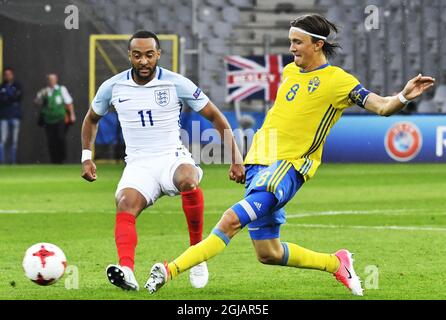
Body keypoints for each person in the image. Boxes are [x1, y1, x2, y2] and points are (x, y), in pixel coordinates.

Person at [146, 14, 435, 296]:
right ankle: (336, 263)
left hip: (287, 168)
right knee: (268, 253)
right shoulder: (290, 72)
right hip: (259, 164)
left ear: (317, 44)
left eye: (297, 42)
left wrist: (403, 96)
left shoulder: (338, 81)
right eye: (290, 41)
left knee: (230, 221)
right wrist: (246, 160)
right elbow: (281, 117)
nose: (291, 48)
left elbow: (382, 106)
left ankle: (168, 270)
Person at [81, 30, 245, 291]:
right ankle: (127, 270)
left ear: (158, 54)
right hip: (138, 164)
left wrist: (236, 159)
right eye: (137, 55)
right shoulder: (112, 87)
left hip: (171, 156)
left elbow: (215, 116)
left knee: (189, 179)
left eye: (149, 55)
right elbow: (91, 119)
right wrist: (86, 158)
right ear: (130, 56)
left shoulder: (176, 83)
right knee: (125, 203)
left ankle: (197, 254)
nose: (143, 61)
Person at [34, 73, 76, 164]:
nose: (51, 81)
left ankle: (62, 158)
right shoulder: (44, 91)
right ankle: (54, 160)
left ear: (56, 80)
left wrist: (72, 115)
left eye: (52, 79)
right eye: (49, 80)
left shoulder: (61, 89)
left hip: (60, 118)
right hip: (48, 119)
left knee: (60, 137)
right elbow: (37, 102)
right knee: (51, 140)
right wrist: (41, 97)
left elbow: (69, 102)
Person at [0, 67, 22, 164]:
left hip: (15, 115)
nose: (8, 76)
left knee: (14, 141)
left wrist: (7, 97)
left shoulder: (17, 85)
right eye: (6, 74)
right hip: (4, 116)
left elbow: (17, 97)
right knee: (3, 140)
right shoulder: (2, 87)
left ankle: (13, 162)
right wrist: (9, 97)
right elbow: (2, 99)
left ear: (12, 75)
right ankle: (2, 161)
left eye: (9, 74)